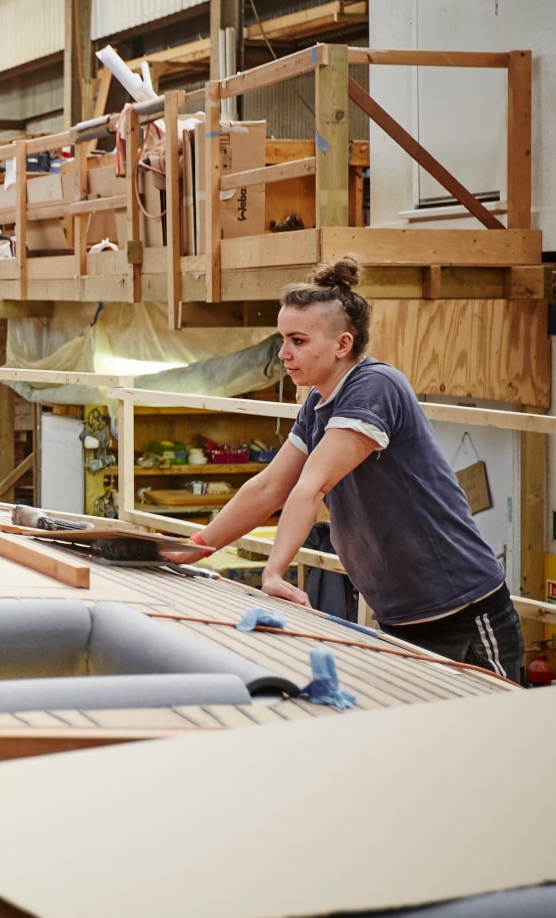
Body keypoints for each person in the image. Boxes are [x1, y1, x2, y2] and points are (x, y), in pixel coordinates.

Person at [162, 256, 525, 683]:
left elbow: (310, 487)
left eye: (297, 340)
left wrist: (275, 572)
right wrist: (196, 547)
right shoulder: (317, 405)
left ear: (342, 344)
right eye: (283, 339)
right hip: (400, 616)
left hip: (463, 609)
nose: (283, 353)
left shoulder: (375, 387)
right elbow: (269, 488)